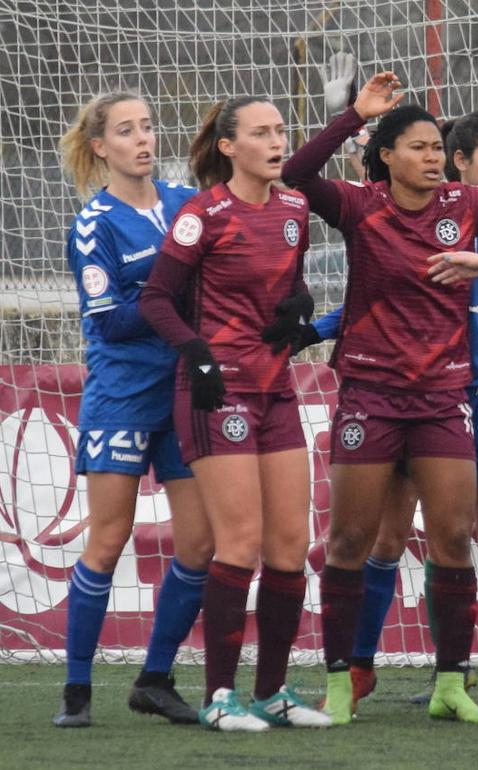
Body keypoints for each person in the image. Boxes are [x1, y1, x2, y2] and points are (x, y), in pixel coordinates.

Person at [281, 72, 478, 725]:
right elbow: (299, 176)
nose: (434, 157)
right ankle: (350, 672)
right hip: (379, 393)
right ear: (390, 156)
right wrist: (352, 115)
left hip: (469, 394)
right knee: (369, 536)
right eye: (422, 146)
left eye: (437, 146)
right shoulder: (366, 205)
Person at [140, 96, 330, 732]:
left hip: (277, 390)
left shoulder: (297, 208)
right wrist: (194, 353)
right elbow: (156, 299)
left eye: (280, 131)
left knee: (290, 547)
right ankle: (220, 697)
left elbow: (288, 284)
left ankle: (272, 692)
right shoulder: (202, 215)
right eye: (261, 133)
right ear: (228, 146)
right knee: (239, 544)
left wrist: (299, 305)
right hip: (216, 394)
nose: (277, 142)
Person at [54, 91, 214, 728]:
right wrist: (167, 291)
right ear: (101, 148)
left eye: (148, 126)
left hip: (185, 391)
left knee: (201, 542)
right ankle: (76, 691)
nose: (143, 139)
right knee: (109, 539)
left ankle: (155, 676)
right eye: (126, 131)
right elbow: (111, 322)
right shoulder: (93, 224)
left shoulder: (184, 203)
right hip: (123, 395)